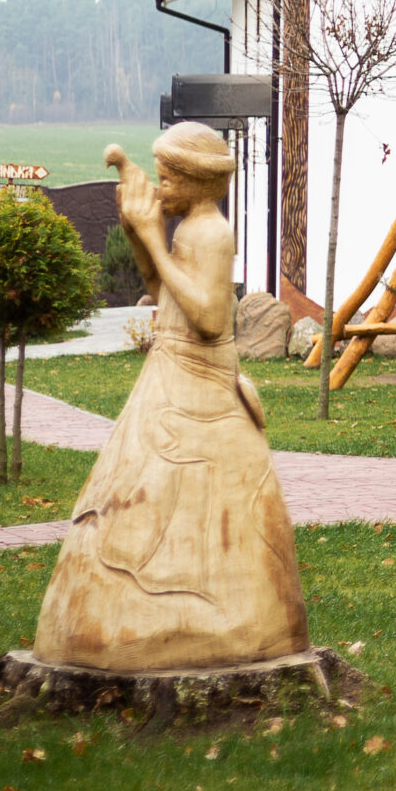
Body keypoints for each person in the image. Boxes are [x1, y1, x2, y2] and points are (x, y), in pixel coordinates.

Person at [32, 123, 309, 670]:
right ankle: (128, 623)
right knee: (143, 493)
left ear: (196, 180)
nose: (159, 189)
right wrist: (142, 232)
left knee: (192, 499)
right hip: (170, 374)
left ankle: (216, 623)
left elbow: (206, 317)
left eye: (165, 180)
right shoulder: (189, 232)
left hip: (199, 383)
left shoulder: (211, 233)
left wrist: (156, 239)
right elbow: (164, 292)